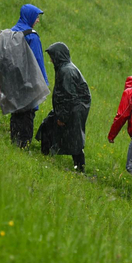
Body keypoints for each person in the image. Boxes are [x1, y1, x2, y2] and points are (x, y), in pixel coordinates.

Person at [41, 42, 91, 171]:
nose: (50, 60)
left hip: (73, 109)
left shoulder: (66, 71)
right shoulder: (64, 68)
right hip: (72, 108)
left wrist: (62, 116)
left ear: (58, 56)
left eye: (52, 56)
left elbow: (69, 96)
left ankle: (80, 168)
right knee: (48, 126)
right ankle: (45, 155)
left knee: (74, 139)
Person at [9, 4, 46, 147]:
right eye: (36, 17)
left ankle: (14, 143)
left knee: (16, 114)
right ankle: (23, 146)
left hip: (13, 82)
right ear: (30, 16)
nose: (37, 20)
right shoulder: (32, 36)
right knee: (27, 115)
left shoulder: (12, 32)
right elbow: (37, 62)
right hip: (28, 84)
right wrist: (42, 83)